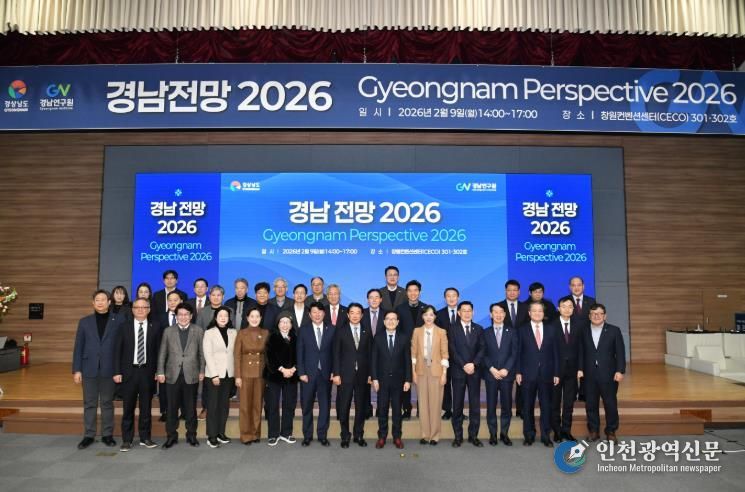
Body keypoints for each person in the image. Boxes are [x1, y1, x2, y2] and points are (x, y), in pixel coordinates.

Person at [72, 289, 120, 450]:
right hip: (88, 369)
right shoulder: (84, 322)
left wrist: (119, 370)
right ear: (93, 303)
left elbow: (121, 347)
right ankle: (89, 435)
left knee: (107, 403)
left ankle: (107, 435)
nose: (100, 302)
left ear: (109, 302)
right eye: (97, 300)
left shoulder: (118, 320)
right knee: (89, 403)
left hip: (109, 369)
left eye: (103, 299)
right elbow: (78, 347)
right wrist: (77, 370)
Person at [113, 297, 159, 451]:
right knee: (128, 408)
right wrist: (117, 371)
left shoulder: (155, 327)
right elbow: (117, 350)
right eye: (137, 307)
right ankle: (127, 439)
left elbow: (158, 351)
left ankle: (145, 437)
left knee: (146, 408)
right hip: (128, 372)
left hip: (147, 372)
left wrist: (158, 371)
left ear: (149, 310)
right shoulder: (123, 327)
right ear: (132, 310)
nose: (140, 310)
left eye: (144, 307)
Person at [157, 302, 205, 449]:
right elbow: (162, 353)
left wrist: (202, 371)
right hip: (172, 375)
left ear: (191, 316)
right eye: (180, 314)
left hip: (191, 374)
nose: (183, 317)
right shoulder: (168, 331)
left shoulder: (198, 331)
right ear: (176, 316)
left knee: (190, 408)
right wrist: (160, 371)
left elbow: (201, 354)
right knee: (171, 408)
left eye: (186, 314)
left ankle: (191, 435)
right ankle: (171, 436)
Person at [577, 303, 626, 443]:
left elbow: (620, 353)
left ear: (605, 316)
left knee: (610, 404)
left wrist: (620, 370)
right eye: (593, 314)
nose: (596, 316)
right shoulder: (583, 331)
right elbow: (580, 351)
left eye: (599, 313)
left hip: (609, 374)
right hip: (589, 374)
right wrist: (580, 369)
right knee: (590, 404)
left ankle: (611, 431)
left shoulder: (614, 330)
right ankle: (594, 431)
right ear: (589, 316)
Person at [516, 302, 560, 447]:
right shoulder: (522, 330)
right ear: (529, 313)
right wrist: (518, 371)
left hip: (547, 374)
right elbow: (518, 353)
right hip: (527, 374)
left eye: (540, 311)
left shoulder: (551, 329)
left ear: (543, 313)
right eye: (534, 311)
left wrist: (556, 372)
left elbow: (556, 352)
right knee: (527, 406)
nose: (537, 313)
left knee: (546, 406)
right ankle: (529, 435)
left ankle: (546, 436)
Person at [332, 303, 372, 448]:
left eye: (358, 313)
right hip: (345, 375)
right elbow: (336, 354)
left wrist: (371, 374)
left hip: (362, 375)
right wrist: (336, 373)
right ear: (348, 315)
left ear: (362, 315)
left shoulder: (367, 331)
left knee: (361, 406)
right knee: (344, 406)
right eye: (352, 313)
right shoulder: (340, 331)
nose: (355, 315)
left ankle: (358, 435)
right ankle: (345, 435)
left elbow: (370, 354)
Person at [296, 301, 335, 446]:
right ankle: (307, 436)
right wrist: (301, 372)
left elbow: (335, 353)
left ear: (324, 313)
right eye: (314, 312)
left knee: (325, 406)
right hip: (308, 374)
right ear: (309, 314)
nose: (317, 315)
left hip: (326, 374)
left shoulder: (332, 329)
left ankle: (322, 435)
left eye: (320, 312)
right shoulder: (303, 330)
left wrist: (334, 371)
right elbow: (299, 352)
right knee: (307, 406)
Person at [371, 311, 411, 449]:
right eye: (388, 319)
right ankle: (382, 436)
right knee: (382, 409)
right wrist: (374, 378)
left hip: (399, 381)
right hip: (381, 381)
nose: (391, 321)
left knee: (397, 410)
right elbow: (374, 359)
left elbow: (407, 360)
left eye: (394, 319)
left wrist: (408, 380)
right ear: (384, 322)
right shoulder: (378, 338)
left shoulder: (404, 338)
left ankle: (397, 437)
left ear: (398, 322)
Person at [411, 305, 449, 445]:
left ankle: (434, 435)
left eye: (431, 315)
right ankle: (425, 434)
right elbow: (413, 353)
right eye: (426, 314)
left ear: (435, 317)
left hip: (437, 372)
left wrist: (444, 373)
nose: (428, 317)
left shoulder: (441, 332)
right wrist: (413, 372)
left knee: (435, 404)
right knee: (423, 404)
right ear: (422, 316)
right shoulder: (417, 331)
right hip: (421, 371)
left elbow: (445, 354)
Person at [482, 303, 518, 446]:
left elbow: (514, 353)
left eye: (501, 312)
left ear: (504, 314)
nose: (498, 315)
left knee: (506, 406)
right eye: (495, 312)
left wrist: (506, 369)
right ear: (491, 315)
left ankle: (504, 434)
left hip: (506, 375)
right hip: (490, 374)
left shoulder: (512, 331)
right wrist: (491, 368)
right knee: (491, 406)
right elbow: (483, 353)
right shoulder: (485, 332)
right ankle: (493, 434)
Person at [196, 284, 233, 420]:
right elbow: (198, 330)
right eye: (213, 295)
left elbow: (232, 330)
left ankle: (221, 410)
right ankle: (206, 407)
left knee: (224, 385)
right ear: (209, 296)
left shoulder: (229, 310)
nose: (216, 297)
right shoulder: (203, 311)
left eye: (219, 295)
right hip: (206, 351)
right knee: (208, 383)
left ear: (223, 297)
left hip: (224, 353)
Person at [450, 301, 484, 447]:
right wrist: (464, 364)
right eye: (464, 310)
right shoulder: (452, 329)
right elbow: (452, 350)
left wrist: (473, 364)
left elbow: (482, 349)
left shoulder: (479, 329)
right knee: (457, 405)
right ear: (459, 313)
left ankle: (473, 436)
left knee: (475, 405)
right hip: (459, 371)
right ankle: (458, 436)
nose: (467, 313)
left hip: (474, 372)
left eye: (469, 310)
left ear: (473, 312)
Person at [234, 306, 270, 444]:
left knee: (257, 405)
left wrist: (268, 375)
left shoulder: (265, 333)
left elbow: (268, 355)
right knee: (245, 406)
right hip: (245, 374)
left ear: (261, 318)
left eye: (257, 316)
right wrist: (237, 376)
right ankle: (246, 435)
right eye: (252, 316)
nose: (255, 319)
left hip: (260, 373)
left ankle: (255, 434)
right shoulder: (241, 333)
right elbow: (237, 356)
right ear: (247, 318)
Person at [202, 306, 237, 448]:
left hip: (229, 374)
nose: (223, 318)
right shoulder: (209, 333)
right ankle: (211, 435)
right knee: (213, 406)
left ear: (229, 318)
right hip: (214, 375)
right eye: (220, 315)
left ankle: (221, 433)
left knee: (224, 406)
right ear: (215, 317)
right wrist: (214, 374)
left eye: (226, 316)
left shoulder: (233, 332)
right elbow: (208, 354)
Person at [264, 313, 299, 446]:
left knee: (289, 405)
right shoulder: (272, 336)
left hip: (292, 375)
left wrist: (293, 369)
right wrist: (282, 369)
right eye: (282, 322)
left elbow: (300, 354)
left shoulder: (295, 337)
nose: (285, 325)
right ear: (278, 324)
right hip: (275, 376)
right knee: (273, 405)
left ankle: (286, 433)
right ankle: (273, 434)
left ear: (291, 324)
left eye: (287, 322)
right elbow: (269, 356)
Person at [551, 297, 583, 442]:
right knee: (555, 402)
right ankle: (557, 431)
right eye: (564, 306)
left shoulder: (578, 325)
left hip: (572, 370)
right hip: (555, 371)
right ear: (559, 308)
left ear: (573, 309)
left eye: (570, 306)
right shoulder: (551, 325)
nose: (567, 309)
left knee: (569, 403)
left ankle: (566, 431)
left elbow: (581, 348)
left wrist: (580, 368)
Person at [394, 279, 427, 420]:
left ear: (420, 292)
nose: (413, 293)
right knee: (405, 379)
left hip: (423, 351)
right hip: (404, 350)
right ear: (406, 293)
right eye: (410, 291)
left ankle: (422, 409)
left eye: (416, 290)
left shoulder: (427, 308)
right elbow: (396, 330)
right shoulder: (399, 309)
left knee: (422, 381)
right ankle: (406, 409)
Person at [497, 279, 528, 418]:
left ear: (519, 292)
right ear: (505, 291)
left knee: (522, 380)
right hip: (505, 350)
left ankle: (521, 409)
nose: (512, 292)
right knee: (506, 382)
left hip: (523, 348)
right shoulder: (498, 307)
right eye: (509, 290)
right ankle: (506, 410)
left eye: (515, 290)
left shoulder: (525, 307)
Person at [155, 290, 183, 422]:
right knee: (164, 386)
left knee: (182, 385)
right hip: (165, 358)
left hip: (182, 358)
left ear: (181, 301)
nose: (172, 303)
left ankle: (182, 410)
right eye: (170, 300)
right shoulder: (160, 317)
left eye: (175, 300)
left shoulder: (187, 317)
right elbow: (157, 339)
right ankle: (165, 411)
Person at [435, 287, 460, 420]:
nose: (451, 298)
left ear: (458, 298)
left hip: (461, 356)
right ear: (445, 299)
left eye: (454, 295)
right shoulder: (439, 314)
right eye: (448, 296)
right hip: (444, 355)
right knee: (445, 383)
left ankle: (458, 410)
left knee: (459, 384)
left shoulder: (464, 312)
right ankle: (448, 409)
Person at [362, 288, 386, 418]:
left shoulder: (387, 314)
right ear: (367, 300)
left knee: (382, 383)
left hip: (383, 355)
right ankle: (367, 409)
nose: (374, 300)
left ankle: (381, 410)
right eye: (371, 297)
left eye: (377, 297)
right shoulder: (361, 313)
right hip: (364, 354)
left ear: (381, 300)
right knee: (364, 383)